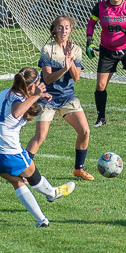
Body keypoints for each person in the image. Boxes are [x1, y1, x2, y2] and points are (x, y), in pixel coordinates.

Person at [0, 67, 76, 228]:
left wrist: (37, 98)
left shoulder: (4, 92)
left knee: (17, 182)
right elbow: (16, 112)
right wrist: (36, 96)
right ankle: (53, 193)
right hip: (9, 153)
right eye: (38, 83)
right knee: (34, 178)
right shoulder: (18, 99)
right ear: (32, 86)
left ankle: (42, 221)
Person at [26, 16, 94, 181]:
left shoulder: (76, 50)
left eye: (67, 27)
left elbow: (76, 77)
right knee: (40, 136)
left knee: (85, 131)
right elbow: (47, 79)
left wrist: (69, 59)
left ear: (71, 30)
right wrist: (64, 67)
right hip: (47, 97)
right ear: (55, 29)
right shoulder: (47, 49)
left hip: (67, 97)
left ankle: (79, 169)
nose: (64, 30)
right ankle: (22, 170)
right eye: (60, 27)